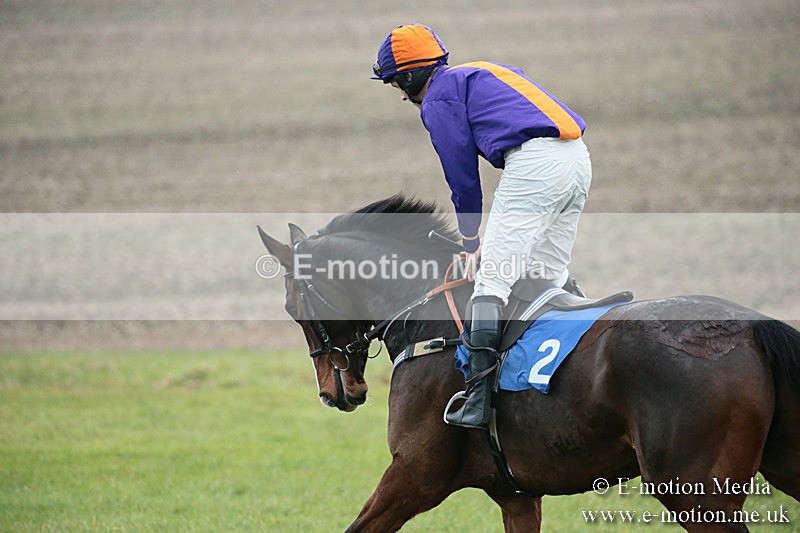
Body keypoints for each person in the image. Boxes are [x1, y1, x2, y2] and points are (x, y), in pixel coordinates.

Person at [372, 24, 592, 429]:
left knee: (491, 281)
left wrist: (470, 243)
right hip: (577, 160)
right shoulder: (479, 71)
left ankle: (476, 398)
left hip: (535, 166)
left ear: (409, 76)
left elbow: (463, 180)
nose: (402, 96)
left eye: (396, 85)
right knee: (547, 277)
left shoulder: (437, 100)